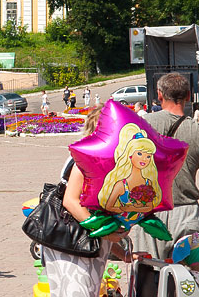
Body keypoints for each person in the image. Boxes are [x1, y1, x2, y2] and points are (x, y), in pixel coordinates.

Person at [42, 105, 132, 296]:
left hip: (83, 245)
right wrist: (107, 234)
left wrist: (121, 253)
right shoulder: (86, 158)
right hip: (71, 245)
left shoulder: (102, 158)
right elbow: (71, 202)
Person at [130, 73, 199, 260]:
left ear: (160, 95)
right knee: (186, 279)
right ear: (189, 95)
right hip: (186, 211)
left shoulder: (141, 125)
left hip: (149, 212)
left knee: (149, 277)